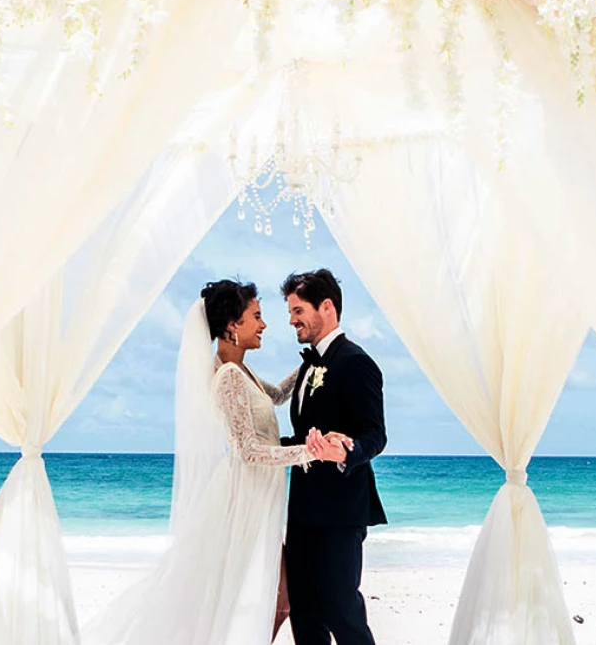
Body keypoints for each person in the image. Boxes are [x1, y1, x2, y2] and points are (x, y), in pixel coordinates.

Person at [84, 279, 333, 645]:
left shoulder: (240, 370)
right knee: (262, 598)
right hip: (246, 498)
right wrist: (308, 452)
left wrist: (315, 359)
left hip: (261, 495)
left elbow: (278, 395)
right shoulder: (228, 377)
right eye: (257, 317)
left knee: (279, 599)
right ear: (233, 325)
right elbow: (247, 450)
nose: (264, 325)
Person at [280, 268, 388, 645]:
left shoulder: (356, 362)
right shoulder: (308, 365)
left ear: (326, 307)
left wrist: (347, 449)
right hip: (303, 510)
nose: (291, 319)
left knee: (342, 611)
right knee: (305, 615)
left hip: (341, 511)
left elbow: (375, 433)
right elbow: (302, 435)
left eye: (297, 310)